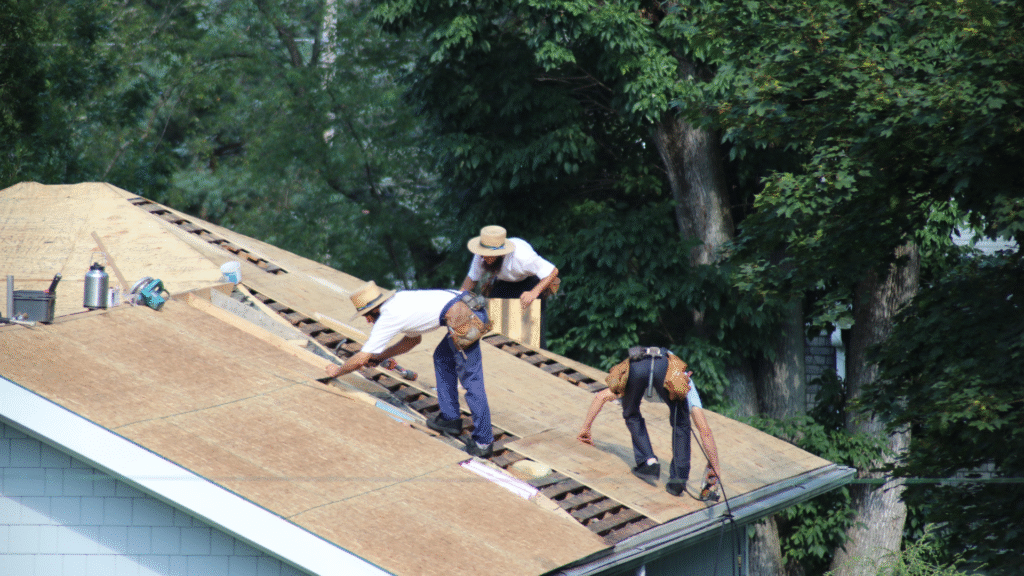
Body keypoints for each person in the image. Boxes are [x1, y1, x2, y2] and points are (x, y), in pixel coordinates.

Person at [325, 280, 495, 457]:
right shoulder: (399, 302)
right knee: (442, 358)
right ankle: (450, 419)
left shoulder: (388, 316)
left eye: (366, 315)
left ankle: (483, 441)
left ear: (375, 309)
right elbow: (412, 340)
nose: (368, 321)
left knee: (472, 381)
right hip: (466, 310)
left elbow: (361, 358)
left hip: (466, 318)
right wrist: (381, 356)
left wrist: (337, 371)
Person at [576, 346, 721, 498]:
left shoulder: (631, 372)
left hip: (637, 366)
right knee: (682, 424)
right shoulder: (683, 381)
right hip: (664, 369)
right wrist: (715, 467)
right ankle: (678, 480)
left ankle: (648, 462)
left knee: (631, 413)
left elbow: (601, 396)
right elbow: (704, 430)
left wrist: (585, 430)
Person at [459, 225, 559, 312]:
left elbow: (552, 271)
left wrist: (534, 293)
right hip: (504, 282)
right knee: (493, 311)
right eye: (483, 254)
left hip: (530, 282)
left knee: (531, 315)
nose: (484, 257)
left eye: (489, 255)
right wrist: (458, 299)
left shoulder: (522, 256)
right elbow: (472, 278)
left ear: (501, 254)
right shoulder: (481, 254)